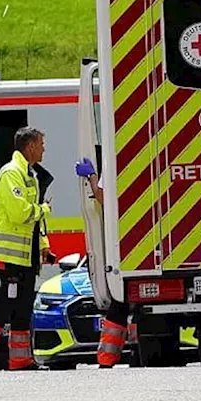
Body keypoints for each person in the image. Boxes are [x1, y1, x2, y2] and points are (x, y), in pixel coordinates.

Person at [0, 127, 51, 371]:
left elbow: (33, 219)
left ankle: (20, 359)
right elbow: (21, 213)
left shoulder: (29, 175)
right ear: (30, 147)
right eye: (41, 144)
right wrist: (44, 209)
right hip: (6, 254)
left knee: (23, 303)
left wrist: (44, 244)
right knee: (6, 301)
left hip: (24, 254)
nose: (44, 148)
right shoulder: (11, 173)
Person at [76, 156, 133, 368]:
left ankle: (107, 358)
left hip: (126, 239)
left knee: (120, 299)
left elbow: (102, 196)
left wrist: (91, 176)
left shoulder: (116, 152)